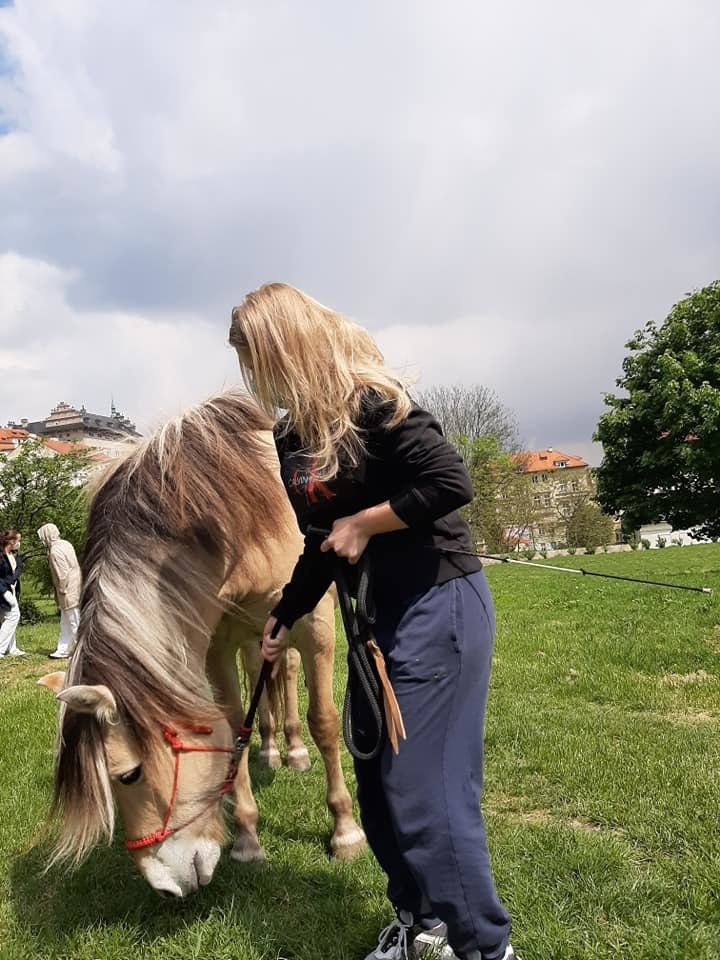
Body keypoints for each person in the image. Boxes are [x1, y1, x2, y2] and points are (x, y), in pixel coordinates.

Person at [228, 283, 517, 960]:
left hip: (440, 604)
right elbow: (321, 539)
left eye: (259, 359)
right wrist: (286, 613)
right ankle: (420, 927)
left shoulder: (372, 402)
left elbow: (449, 482)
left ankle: (485, 948)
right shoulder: (291, 431)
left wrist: (368, 521)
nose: (256, 377)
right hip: (375, 624)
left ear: (288, 347)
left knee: (424, 794)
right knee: (379, 788)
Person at [37, 523, 81, 659]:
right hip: (76, 583)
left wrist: (61, 589)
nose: (41, 540)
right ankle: (63, 649)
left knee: (74, 620)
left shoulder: (55, 551)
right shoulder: (65, 543)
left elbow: (62, 573)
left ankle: (83, 652)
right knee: (66, 621)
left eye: (42, 537)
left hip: (68, 588)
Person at [0, 529, 26, 657]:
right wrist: (5, 592)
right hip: (3, 591)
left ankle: (12, 648)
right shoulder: (1, 555)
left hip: (12, 589)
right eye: (18, 540)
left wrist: (14, 578)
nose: (19, 543)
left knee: (7, 618)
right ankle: (0, 649)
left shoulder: (14, 554)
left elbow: (18, 568)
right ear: (11, 541)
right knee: (13, 616)